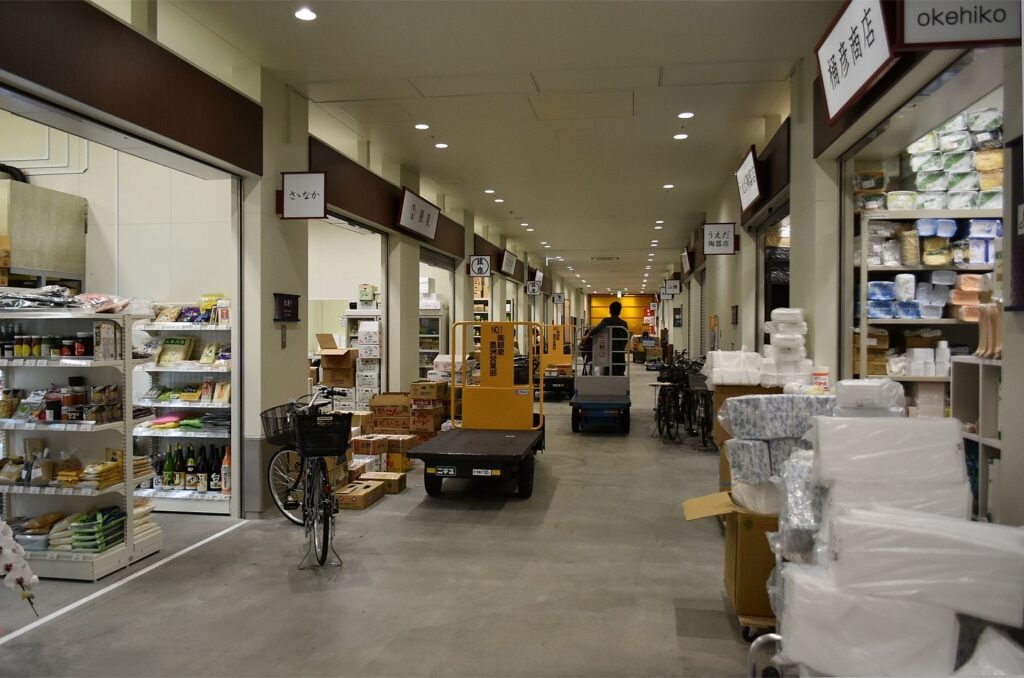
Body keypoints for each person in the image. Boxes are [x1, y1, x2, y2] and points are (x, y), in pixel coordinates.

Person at [589, 301, 629, 375]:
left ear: (610, 310)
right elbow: (626, 338)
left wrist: (588, 335)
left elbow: (598, 329)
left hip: (609, 352)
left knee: (609, 372)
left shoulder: (607, 321)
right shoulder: (624, 323)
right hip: (620, 352)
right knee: (620, 371)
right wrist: (621, 346)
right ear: (620, 311)